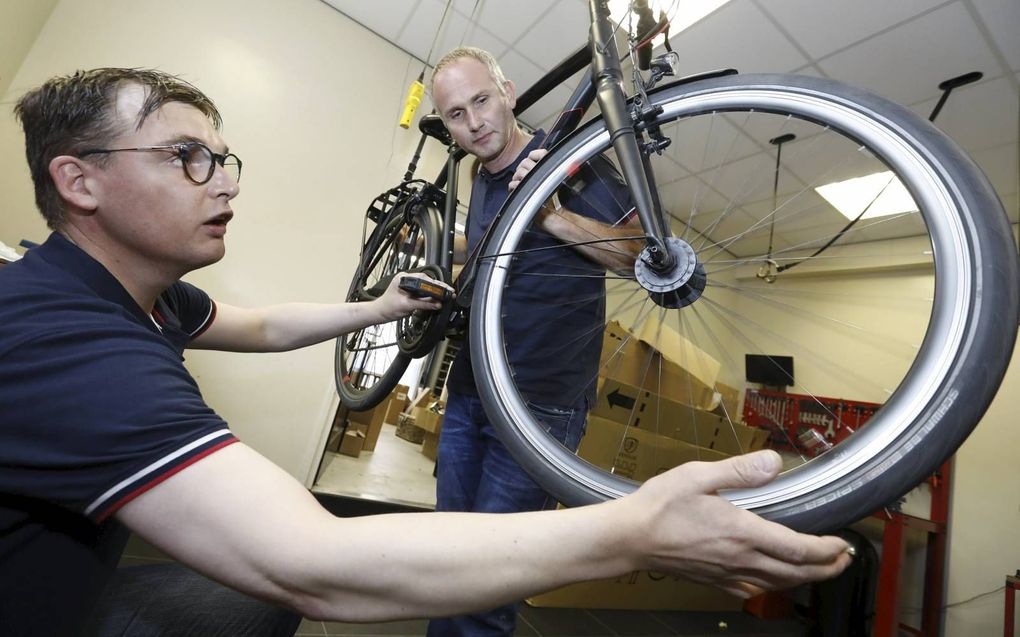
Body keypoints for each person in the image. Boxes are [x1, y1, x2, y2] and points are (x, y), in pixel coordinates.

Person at [0, 67, 851, 636]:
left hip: (544, 391)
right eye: (188, 157)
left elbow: (258, 325)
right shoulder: (62, 336)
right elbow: (314, 563)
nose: (225, 180)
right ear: (79, 182)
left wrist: (394, 298)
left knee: (479, 556)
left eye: (220, 157)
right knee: (416, 548)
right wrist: (638, 532)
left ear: (507, 95)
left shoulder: (132, 296)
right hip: (480, 386)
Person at [423, 47, 660, 635]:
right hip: (471, 390)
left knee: (489, 589)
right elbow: (491, 248)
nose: (474, 122)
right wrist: (431, 248)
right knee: (446, 560)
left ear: (506, 90)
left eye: (481, 100)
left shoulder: (568, 162)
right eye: (456, 114)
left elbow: (637, 257)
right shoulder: (480, 175)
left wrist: (549, 214)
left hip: (543, 407)